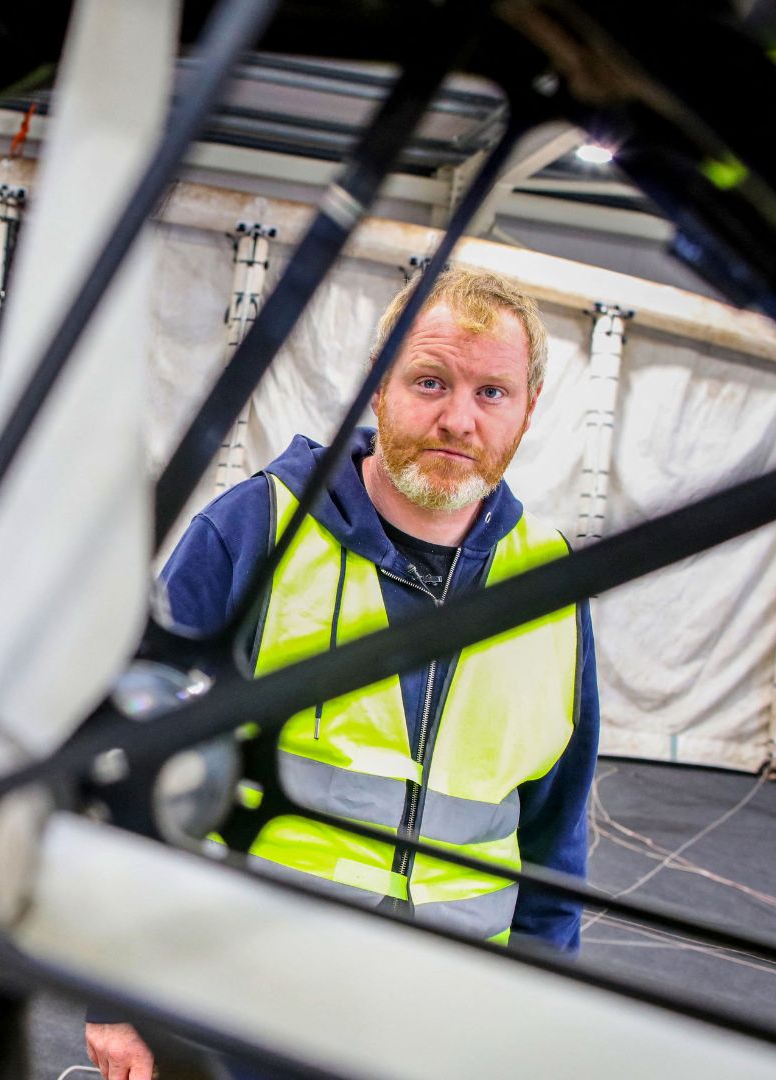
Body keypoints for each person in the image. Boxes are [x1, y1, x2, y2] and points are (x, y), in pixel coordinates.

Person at [84, 266, 600, 1080]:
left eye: (492, 393)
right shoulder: (255, 531)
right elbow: (130, 764)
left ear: (528, 409)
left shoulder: (553, 585)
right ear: (378, 387)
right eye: (429, 381)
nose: (458, 418)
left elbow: (553, 832)